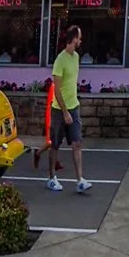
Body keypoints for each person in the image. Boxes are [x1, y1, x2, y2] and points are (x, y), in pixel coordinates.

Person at [48, 26, 87, 195]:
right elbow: (57, 89)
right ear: (72, 39)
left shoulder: (76, 57)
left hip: (74, 106)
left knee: (77, 143)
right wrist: (64, 112)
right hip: (59, 110)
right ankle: (51, 178)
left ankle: (80, 180)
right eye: (79, 37)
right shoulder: (60, 60)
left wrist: (71, 109)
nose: (80, 40)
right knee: (55, 145)